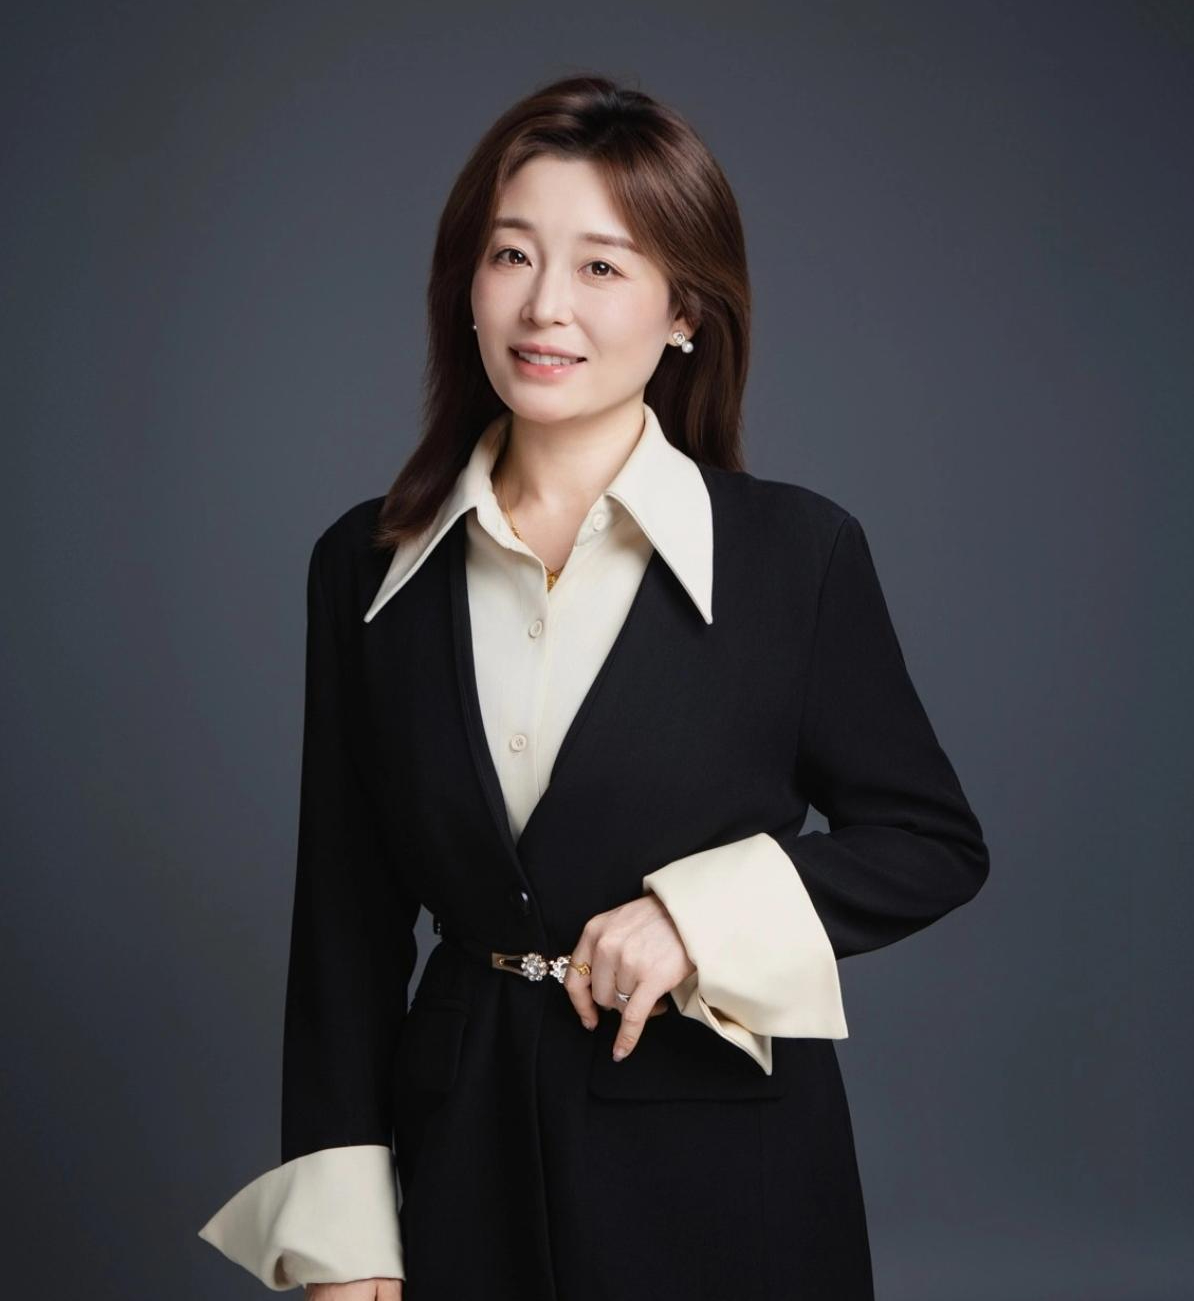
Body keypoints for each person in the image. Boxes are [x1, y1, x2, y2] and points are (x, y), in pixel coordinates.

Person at [197, 72, 990, 1300]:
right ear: (466, 284)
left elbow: (931, 842)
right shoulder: (366, 565)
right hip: (461, 1156)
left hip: (724, 1177)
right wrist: (343, 1239)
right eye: (512, 255)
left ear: (686, 311)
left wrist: (695, 919)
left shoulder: (796, 555)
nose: (545, 306)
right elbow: (344, 926)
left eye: (602, 266)